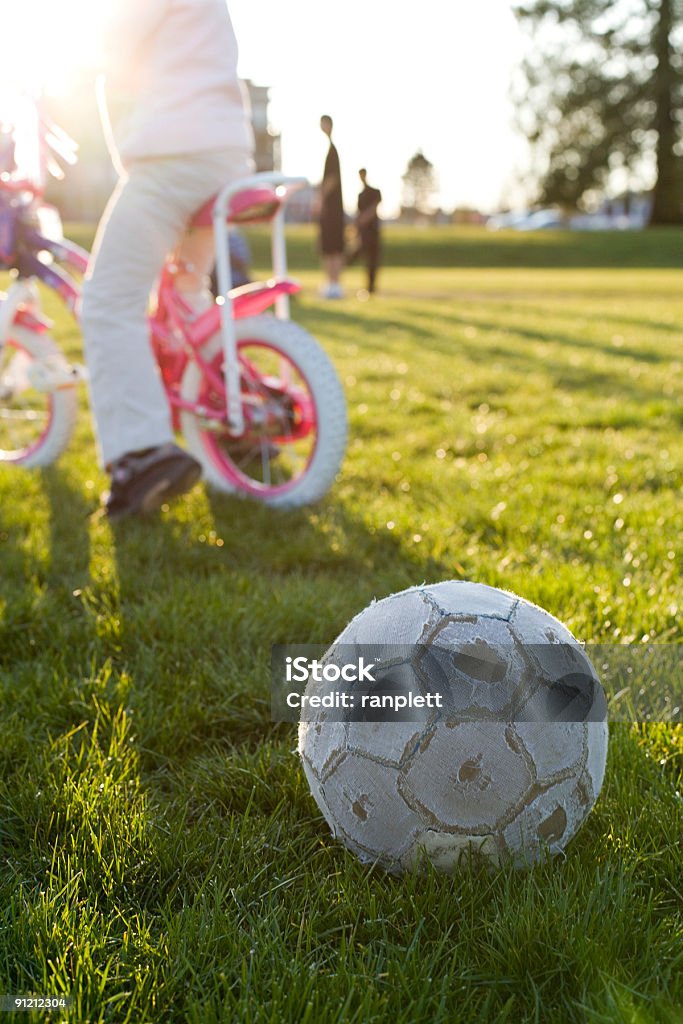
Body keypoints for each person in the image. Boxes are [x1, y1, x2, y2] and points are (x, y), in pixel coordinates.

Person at [80, 0, 254, 520]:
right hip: (223, 155)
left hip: (172, 157)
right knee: (185, 293)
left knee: (108, 300)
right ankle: (239, 421)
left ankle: (142, 452)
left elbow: (110, 41)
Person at [318, 115, 345, 299]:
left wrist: (320, 199)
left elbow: (332, 179)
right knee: (329, 247)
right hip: (331, 210)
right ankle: (331, 283)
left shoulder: (332, 151)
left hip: (333, 210)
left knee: (333, 247)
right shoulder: (330, 150)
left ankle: (334, 285)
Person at [350, 168, 382, 295]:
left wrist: (364, 218)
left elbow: (374, 208)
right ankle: (367, 286)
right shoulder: (360, 195)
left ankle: (371, 287)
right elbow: (358, 213)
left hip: (373, 230)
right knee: (364, 258)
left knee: (373, 259)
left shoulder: (375, 192)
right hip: (363, 232)